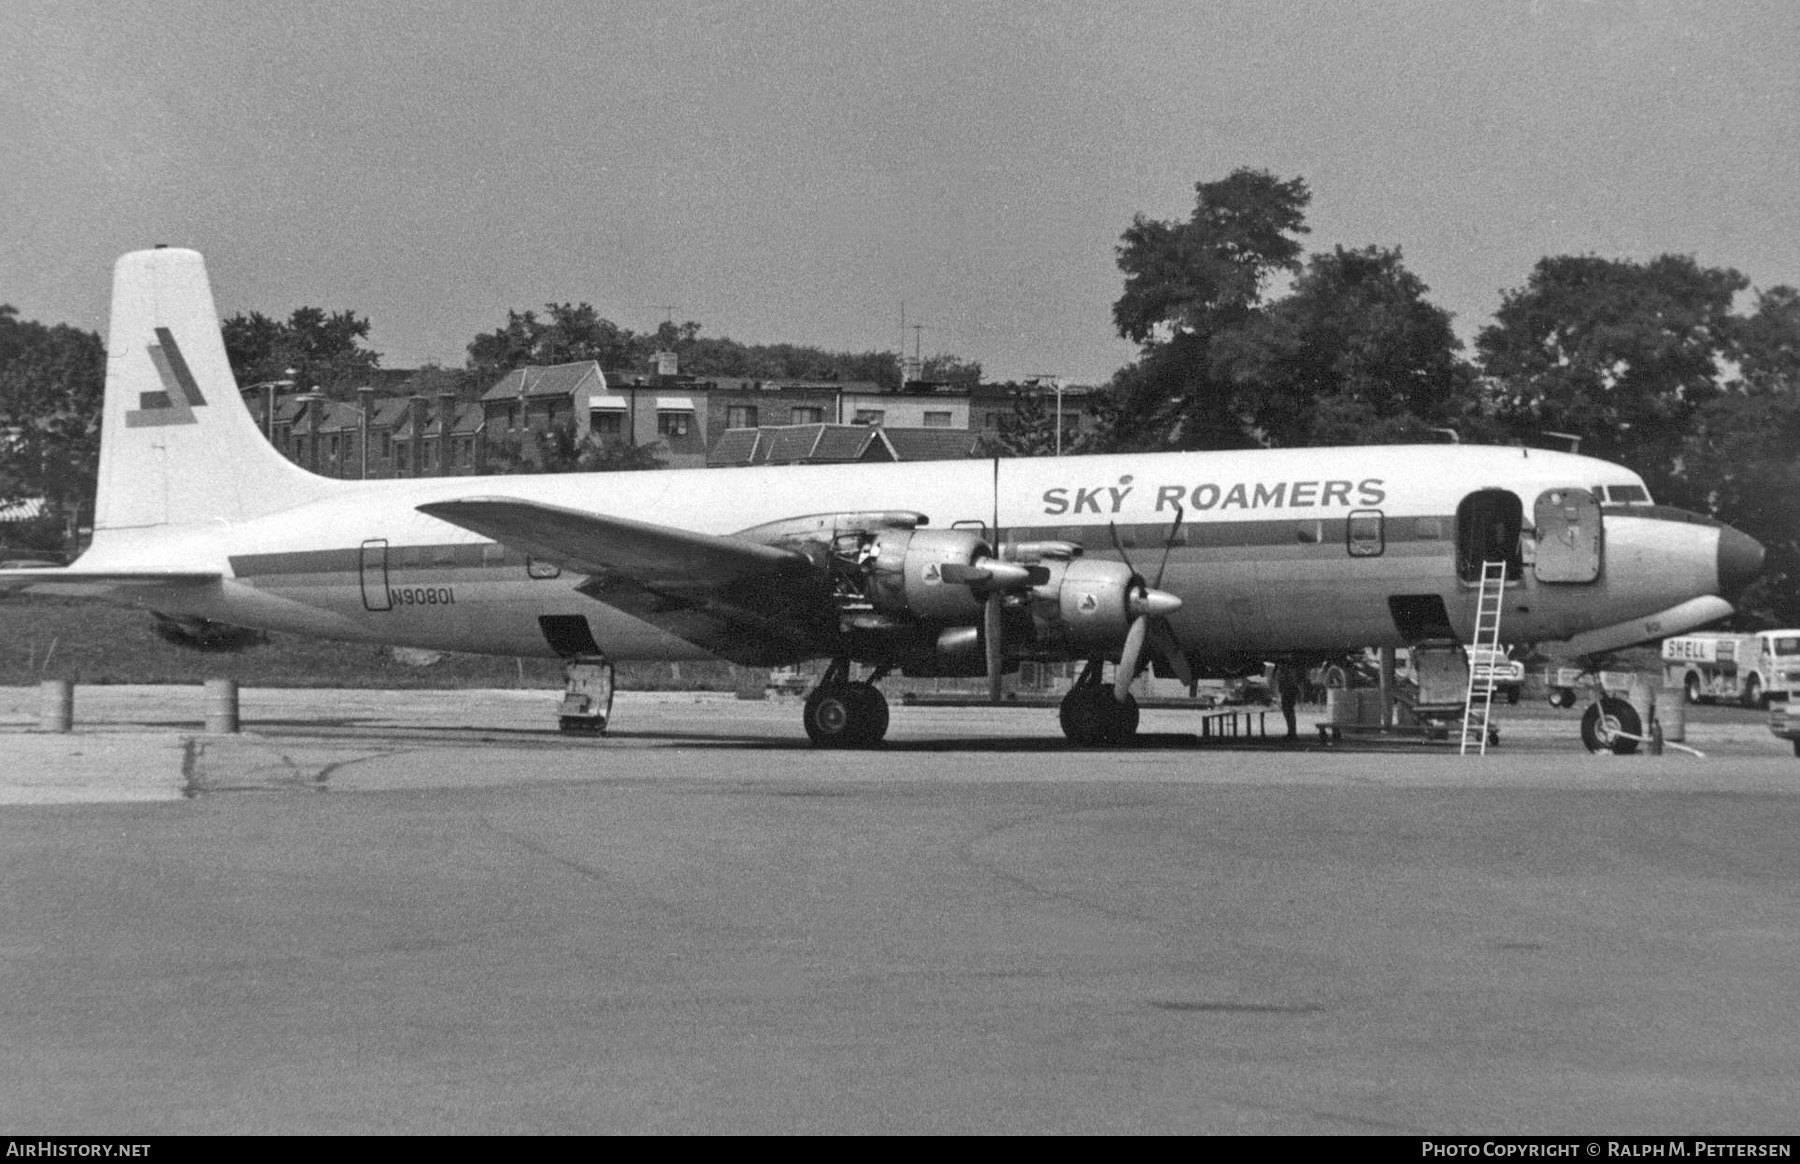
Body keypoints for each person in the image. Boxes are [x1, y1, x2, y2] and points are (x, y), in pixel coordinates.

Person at [1272, 661, 1302, 741]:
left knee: (1288, 712)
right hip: (1288, 691)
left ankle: (1292, 733)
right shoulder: (1288, 670)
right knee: (1289, 712)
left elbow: (1279, 679)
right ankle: (1291, 732)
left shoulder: (1284, 671)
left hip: (1287, 692)